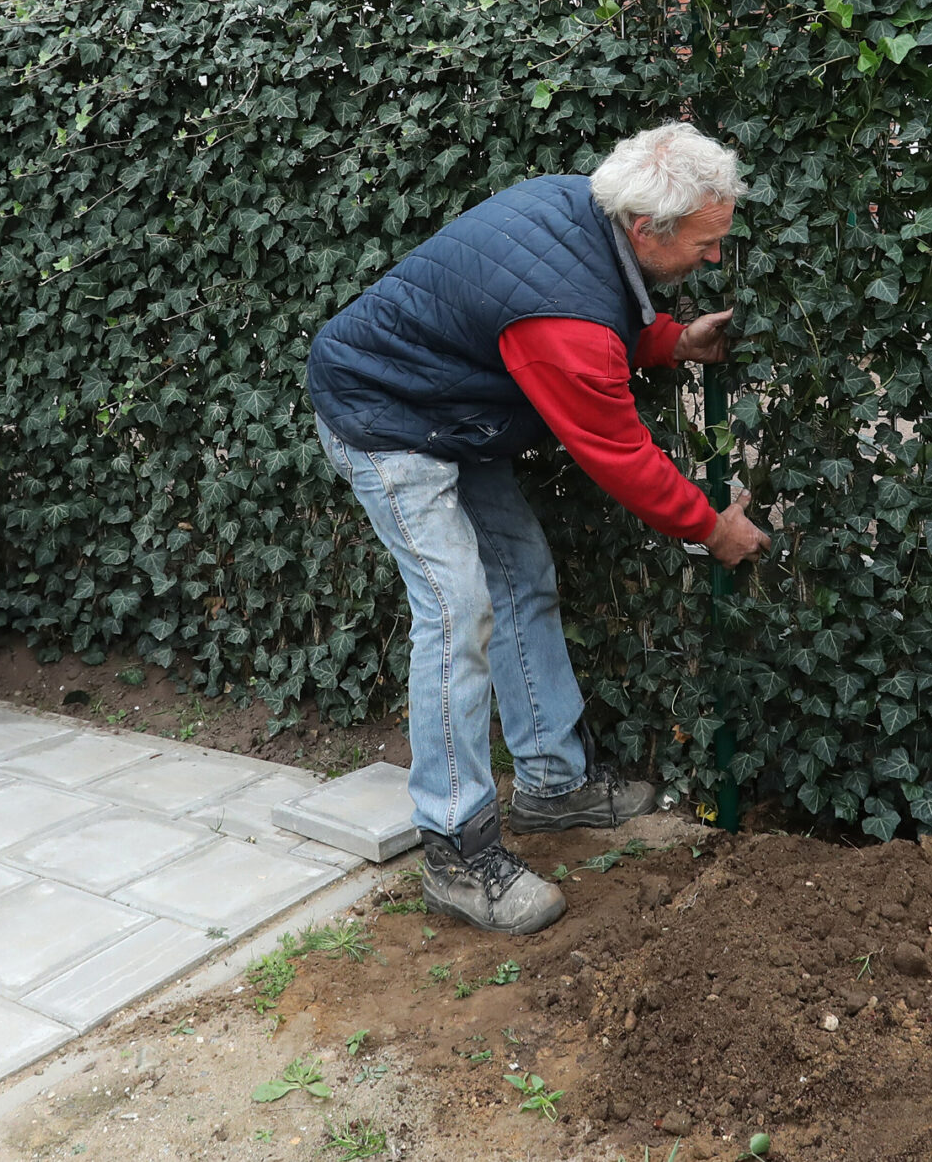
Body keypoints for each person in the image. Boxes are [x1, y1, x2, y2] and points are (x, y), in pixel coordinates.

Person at [308, 122, 771, 934]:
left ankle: (553, 783)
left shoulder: (581, 207)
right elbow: (619, 451)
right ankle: (456, 849)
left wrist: (668, 338)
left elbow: (589, 303)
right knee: (458, 608)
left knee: (522, 574)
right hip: (384, 415)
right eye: (706, 241)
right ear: (646, 226)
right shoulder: (567, 314)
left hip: (454, 413)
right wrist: (711, 529)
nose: (711, 258)